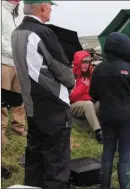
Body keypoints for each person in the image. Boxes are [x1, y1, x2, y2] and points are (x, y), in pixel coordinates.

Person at [11, 1, 75, 188]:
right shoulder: (43, 33)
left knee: (34, 162)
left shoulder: (17, 33)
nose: (52, 9)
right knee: (56, 165)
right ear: (43, 7)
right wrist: (71, 82)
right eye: (50, 5)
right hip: (53, 105)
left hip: (32, 105)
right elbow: (64, 72)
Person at [89, 32, 130, 189]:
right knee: (125, 151)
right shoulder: (129, 68)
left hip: (107, 115)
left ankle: (104, 185)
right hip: (127, 117)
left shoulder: (98, 68)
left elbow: (93, 94)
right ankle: (125, 186)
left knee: (108, 150)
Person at [1, 0, 26, 145]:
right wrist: (17, 53)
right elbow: (2, 41)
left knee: (18, 97)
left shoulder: (20, 11)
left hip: (19, 63)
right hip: (4, 62)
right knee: (3, 98)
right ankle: (1, 131)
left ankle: (19, 127)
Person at [70, 50, 103, 143]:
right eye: (83, 62)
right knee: (88, 104)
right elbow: (70, 97)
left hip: (91, 104)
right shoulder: (72, 75)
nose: (86, 65)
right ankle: (98, 132)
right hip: (74, 105)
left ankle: (108, 128)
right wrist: (83, 86)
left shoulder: (91, 74)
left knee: (102, 102)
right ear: (78, 62)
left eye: (88, 62)